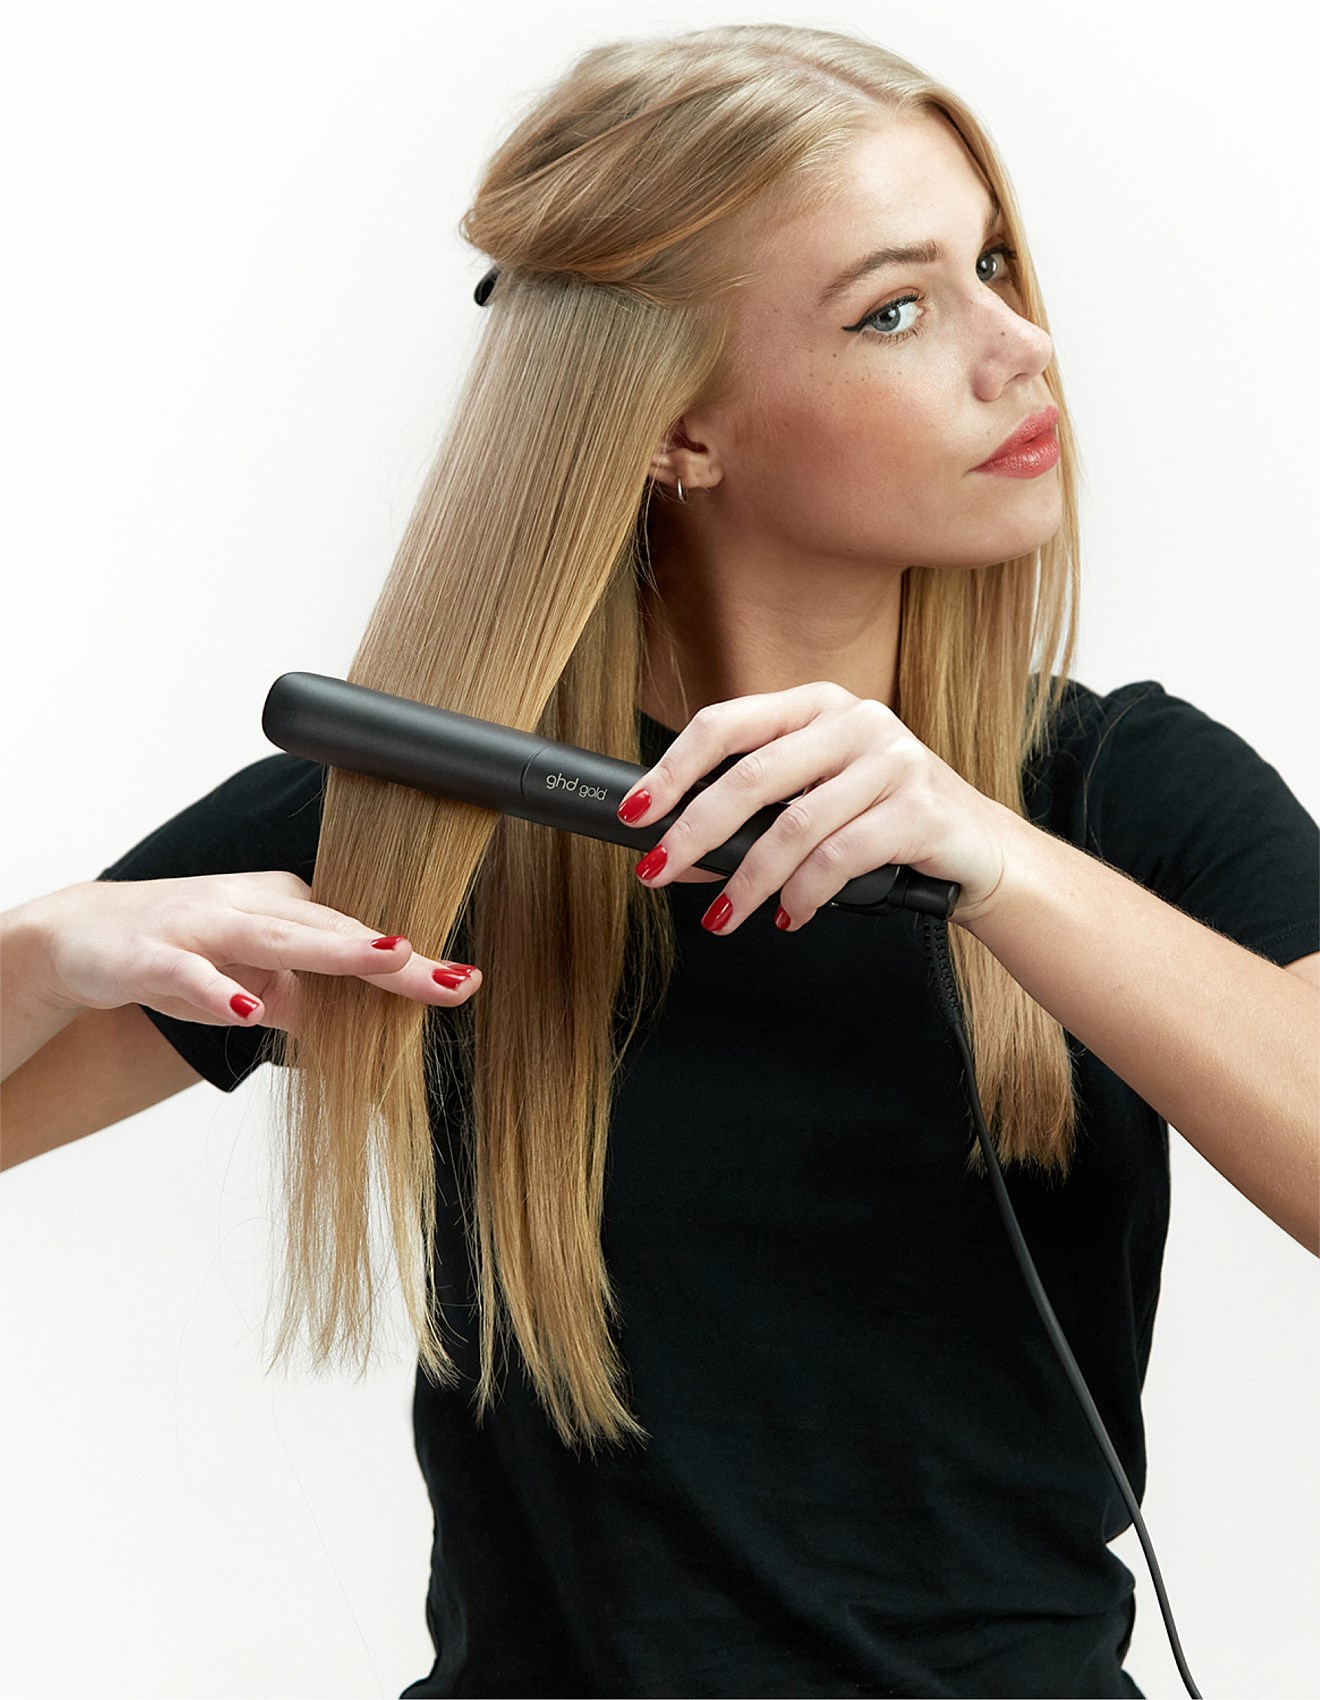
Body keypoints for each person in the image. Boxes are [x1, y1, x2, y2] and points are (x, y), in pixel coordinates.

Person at [2, 22, 1317, 1699]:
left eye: (992, 264)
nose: (1023, 346)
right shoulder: (425, 823)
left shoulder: (1125, 794)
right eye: (896, 308)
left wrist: (991, 855)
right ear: (677, 428)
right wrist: (40, 951)